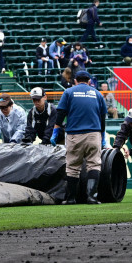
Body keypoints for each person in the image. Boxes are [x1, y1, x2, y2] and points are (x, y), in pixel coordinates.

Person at [50, 69, 108, 205]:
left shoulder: (69, 92)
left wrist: (55, 132)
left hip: (74, 135)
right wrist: (102, 135)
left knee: (72, 167)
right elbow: (102, 117)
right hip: (94, 134)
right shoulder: (98, 94)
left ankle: (70, 199)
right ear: (89, 81)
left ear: (75, 81)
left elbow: (60, 114)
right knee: (94, 164)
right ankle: (92, 197)